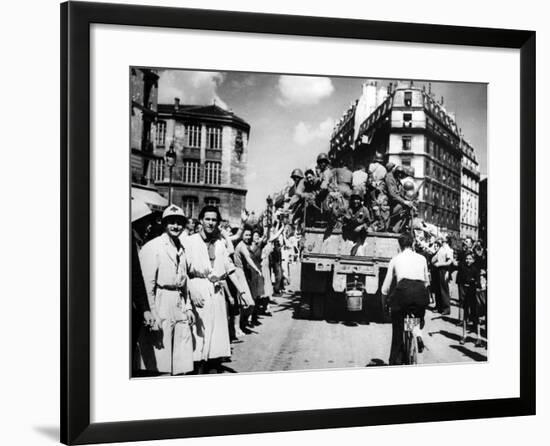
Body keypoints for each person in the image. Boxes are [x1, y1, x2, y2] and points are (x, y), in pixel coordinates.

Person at [138, 205, 195, 375]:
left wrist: (188, 307)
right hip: (161, 300)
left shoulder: (182, 248)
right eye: (172, 222)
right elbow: (147, 285)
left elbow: (184, 283)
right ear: (165, 224)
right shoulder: (153, 247)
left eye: (179, 223)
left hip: (178, 301)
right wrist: (152, 314)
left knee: (181, 358)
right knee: (160, 358)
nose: (176, 226)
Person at [183, 205, 234, 373]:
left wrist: (242, 292)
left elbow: (228, 267)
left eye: (214, 220)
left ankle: (211, 366)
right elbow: (183, 271)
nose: (211, 223)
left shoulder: (219, 243)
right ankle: (195, 369)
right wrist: (191, 291)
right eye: (208, 219)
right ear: (201, 220)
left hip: (216, 291)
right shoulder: (190, 241)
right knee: (198, 333)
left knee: (216, 333)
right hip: (197, 289)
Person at [381, 232, 430, 365]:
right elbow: (427, 282)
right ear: (413, 243)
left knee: (397, 328)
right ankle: (418, 335)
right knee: (415, 317)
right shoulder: (422, 258)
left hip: (403, 293)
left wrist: (384, 304)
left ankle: (394, 361)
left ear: (399, 246)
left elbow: (385, 288)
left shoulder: (395, 259)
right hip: (420, 293)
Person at [457, 252, 483, 346]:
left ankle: (479, 337)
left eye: (470, 258)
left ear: (473, 260)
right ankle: (464, 335)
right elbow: (459, 281)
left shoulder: (475, 269)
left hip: (473, 294)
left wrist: (474, 283)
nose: (468, 260)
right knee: (465, 315)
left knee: (476, 316)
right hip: (465, 294)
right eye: (466, 258)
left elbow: (478, 283)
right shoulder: (462, 268)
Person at [385, 164, 415, 232]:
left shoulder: (397, 180)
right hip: (387, 201)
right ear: (396, 172)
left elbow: (401, 192)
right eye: (399, 173)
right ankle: (388, 227)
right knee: (401, 206)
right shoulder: (390, 178)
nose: (400, 176)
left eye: (401, 174)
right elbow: (392, 194)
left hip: (393, 201)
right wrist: (404, 202)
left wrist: (408, 201)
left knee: (406, 209)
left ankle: (396, 229)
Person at [431, 235, 454, 315]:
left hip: (444, 270)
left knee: (444, 289)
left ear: (447, 240)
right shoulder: (441, 248)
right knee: (438, 289)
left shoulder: (448, 249)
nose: (441, 237)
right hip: (438, 270)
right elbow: (436, 257)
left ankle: (446, 308)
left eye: (444, 237)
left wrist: (440, 264)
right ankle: (439, 307)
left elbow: (449, 262)